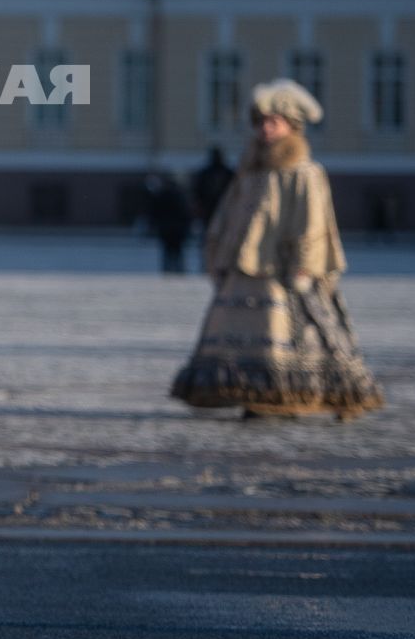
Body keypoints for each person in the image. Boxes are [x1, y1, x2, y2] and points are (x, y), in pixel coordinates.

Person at [171, 79, 384, 421]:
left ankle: (296, 395)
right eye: (259, 122)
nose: (265, 129)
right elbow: (228, 216)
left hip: (283, 271)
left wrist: (304, 264)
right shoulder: (251, 172)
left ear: (292, 125)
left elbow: (312, 222)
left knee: (297, 333)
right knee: (243, 334)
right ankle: (256, 393)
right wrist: (218, 253)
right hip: (244, 271)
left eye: (273, 122)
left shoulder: (304, 172)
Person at [147, 172, 194, 274]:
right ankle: (179, 270)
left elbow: (154, 212)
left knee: (167, 251)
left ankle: (167, 270)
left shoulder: (161, 195)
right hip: (178, 229)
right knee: (178, 251)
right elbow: (186, 213)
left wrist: (154, 224)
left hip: (165, 228)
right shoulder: (180, 196)